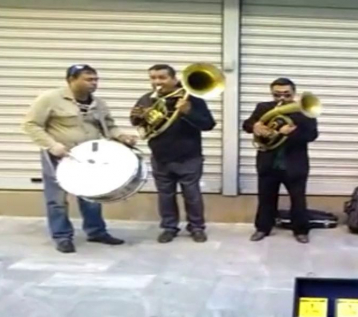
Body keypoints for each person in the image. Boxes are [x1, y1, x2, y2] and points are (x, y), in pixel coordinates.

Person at [21, 64, 137, 253]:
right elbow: (31, 125)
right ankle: (62, 236)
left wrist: (122, 136)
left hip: (90, 156)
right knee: (57, 199)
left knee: (91, 195)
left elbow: (109, 126)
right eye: (88, 79)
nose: (94, 83)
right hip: (59, 156)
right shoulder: (50, 99)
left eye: (95, 79)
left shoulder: (98, 103)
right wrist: (52, 145)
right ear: (71, 80)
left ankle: (96, 232)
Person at [130, 64, 215, 243]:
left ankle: (197, 227)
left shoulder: (192, 98)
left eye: (162, 78)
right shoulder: (147, 99)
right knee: (165, 195)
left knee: (192, 195)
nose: (157, 82)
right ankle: (169, 227)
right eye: (153, 78)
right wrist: (138, 116)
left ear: (174, 79)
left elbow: (208, 124)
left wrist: (188, 111)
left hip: (189, 156)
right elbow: (137, 122)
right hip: (160, 156)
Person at [242, 78, 318, 244]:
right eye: (277, 95)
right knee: (265, 198)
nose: (281, 99)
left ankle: (301, 230)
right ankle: (262, 228)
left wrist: (288, 133)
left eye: (286, 94)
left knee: (298, 200)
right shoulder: (263, 108)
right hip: (268, 162)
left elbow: (311, 135)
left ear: (294, 93)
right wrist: (255, 126)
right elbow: (246, 124)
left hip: (294, 164)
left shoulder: (304, 111)